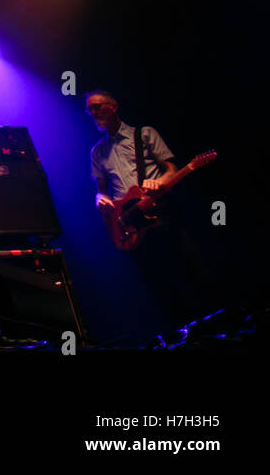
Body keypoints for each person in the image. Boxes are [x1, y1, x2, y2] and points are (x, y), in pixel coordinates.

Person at [86, 90, 211, 330]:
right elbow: (100, 189)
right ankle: (179, 334)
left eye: (97, 106)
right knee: (157, 281)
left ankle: (216, 324)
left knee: (190, 267)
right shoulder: (97, 151)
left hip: (159, 211)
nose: (93, 113)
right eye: (89, 109)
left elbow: (172, 170)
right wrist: (99, 198)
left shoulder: (144, 134)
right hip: (129, 220)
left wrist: (159, 182)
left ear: (113, 107)